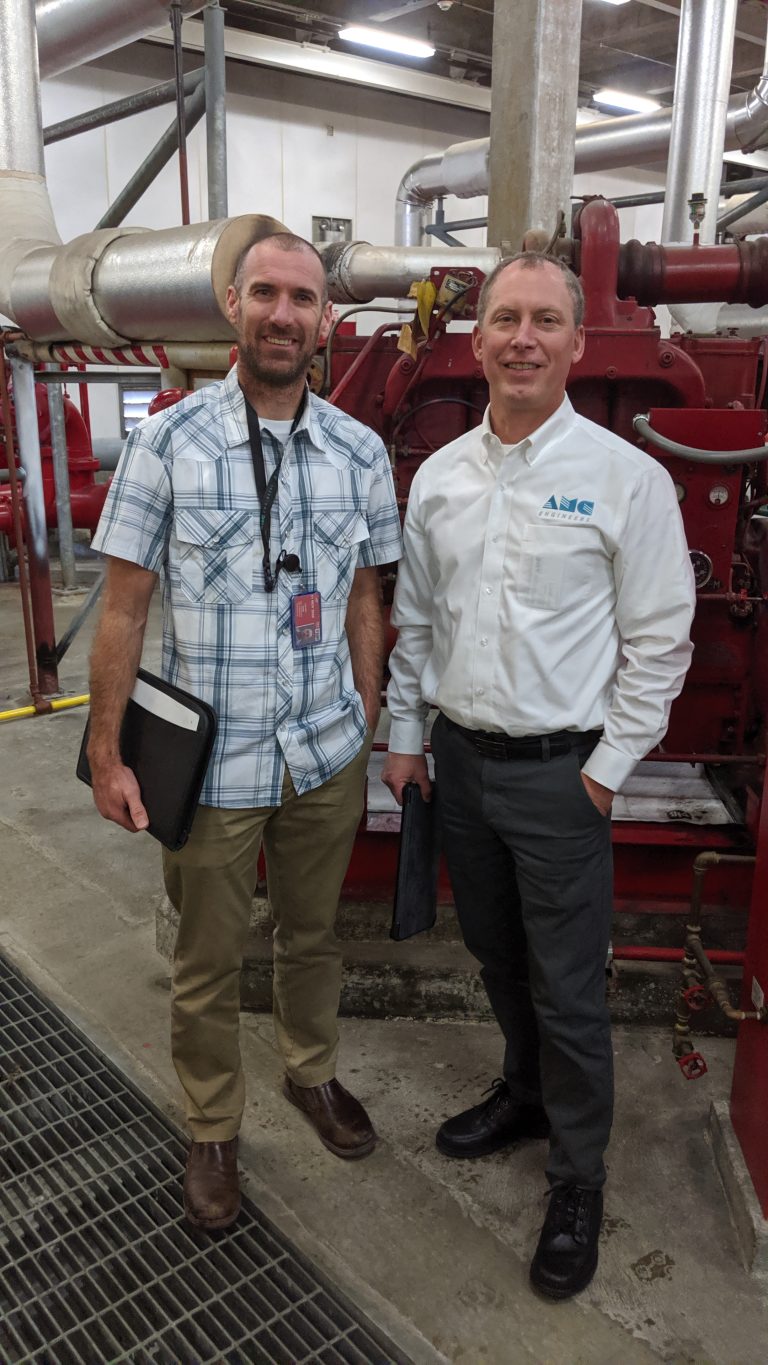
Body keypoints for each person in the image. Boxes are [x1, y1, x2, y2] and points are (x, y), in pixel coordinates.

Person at [382, 252, 695, 1299]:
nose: (523, 337)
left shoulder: (626, 478)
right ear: (476, 344)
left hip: (563, 781)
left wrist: (604, 775)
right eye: (505, 319)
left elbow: (661, 642)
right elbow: (417, 621)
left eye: (545, 321)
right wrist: (408, 737)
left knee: (568, 991)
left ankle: (579, 1180)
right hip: (462, 769)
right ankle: (523, 1094)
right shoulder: (441, 479)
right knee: (495, 955)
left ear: (575, 343)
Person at [88, 231, 402, 1231]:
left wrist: (366, 711)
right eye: (265, 292)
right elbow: (126, 609)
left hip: (323, 754)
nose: (283, 313)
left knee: (311, 938)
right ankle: (212, 1124)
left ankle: (309, 1072)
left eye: (302, 298)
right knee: (207, 958)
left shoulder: (359, 450)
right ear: (233, 303)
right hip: (212, 764)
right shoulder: (166, 442)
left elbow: (363, 595)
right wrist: (106, 753)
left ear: (325, 320)